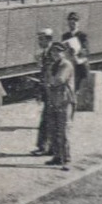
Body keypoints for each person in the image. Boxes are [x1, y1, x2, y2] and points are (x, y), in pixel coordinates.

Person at [43, 41, 77, 170]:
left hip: (65, 101)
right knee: (53, 129)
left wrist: (49, 80)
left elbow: (59, 80)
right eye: (53, 51)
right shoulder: (53, 65)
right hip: (53, 100)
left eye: (58, 51)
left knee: (63, 131)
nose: (55, 54)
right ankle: (57, 156)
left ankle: (66, 159)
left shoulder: (66, 65)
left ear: (63, 53)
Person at [31, 28, 55, 156]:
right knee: (46, 119)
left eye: (41, 39)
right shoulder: (45, 53)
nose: (39, 42)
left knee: (48, 120)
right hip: (47, 91)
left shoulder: (52, 53)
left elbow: (49, 74)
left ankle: (45, 147)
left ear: (48, 39)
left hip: (51, 91)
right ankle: (46, 147)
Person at [61, 11, 91, 89]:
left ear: (78, 23)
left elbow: (86, 50)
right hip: (70, 66)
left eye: (75, 21)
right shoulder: (65, 36)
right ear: (68, 23)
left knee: (79, 89)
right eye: (71, 21)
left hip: (80, 66)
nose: (73, 22)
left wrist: (77, 51)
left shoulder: (83, 35)